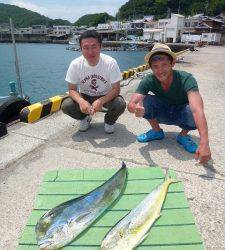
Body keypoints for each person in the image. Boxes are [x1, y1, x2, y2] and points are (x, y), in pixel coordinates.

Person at [128, 43, 211, 164]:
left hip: (181, 113)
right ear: (151, 67)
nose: (160, 70)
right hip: (163, 111)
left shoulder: (186, 79)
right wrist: (134, 108)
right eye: (155, 66)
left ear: (173, 63)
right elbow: (132, 102)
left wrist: (204, 142)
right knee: (146, 101)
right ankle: (156, 131)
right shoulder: (149, 80)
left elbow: (197, 109)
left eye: (164, 65)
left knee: (191, 110)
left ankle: (183, 136)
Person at [62, 30, 126, 134]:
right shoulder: (75, 64)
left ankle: (109, 121)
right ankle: (85, 118)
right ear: (81, 48)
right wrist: (81, 101)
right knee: (66, 105)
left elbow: (116, 89)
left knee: (120, 103)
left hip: (106, 95)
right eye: (86, 47)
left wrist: (101, 101)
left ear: (100, 46)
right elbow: (72, 90)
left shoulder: (110, 63)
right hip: (85, 95)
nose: (90, 52)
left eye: (94, 47)